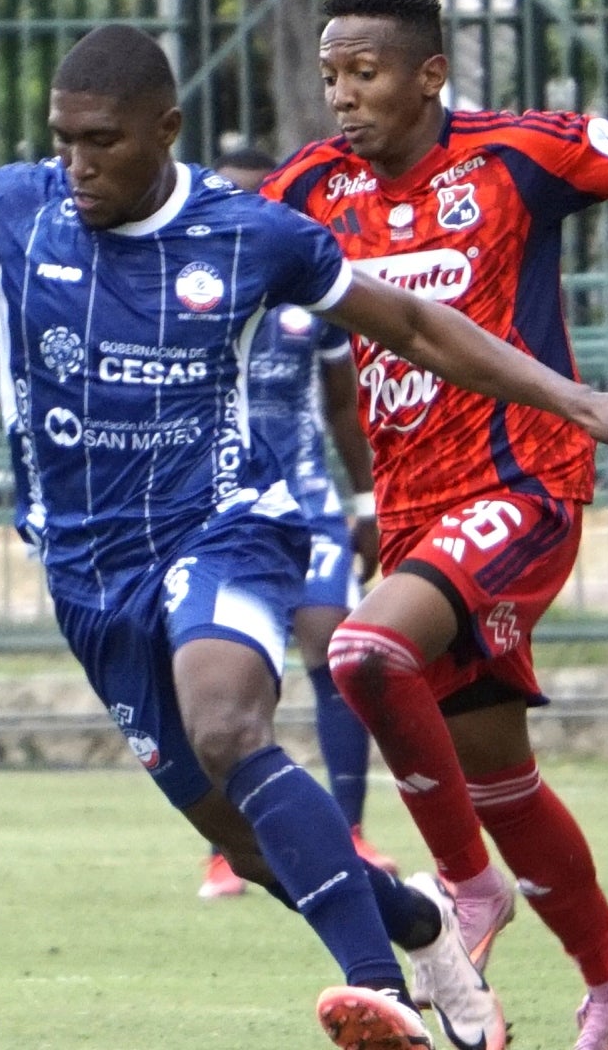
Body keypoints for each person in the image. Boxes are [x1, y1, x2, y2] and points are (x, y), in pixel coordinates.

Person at [0, 25, 608, 1050]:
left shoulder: (248, 233)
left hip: (220, 528)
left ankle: (382, 992)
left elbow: (410, 325)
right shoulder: (7, 209)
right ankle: (418, 926)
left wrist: (575, 400)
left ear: (164, 131)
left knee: (231, 727)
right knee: (244, 836)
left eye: (103, 142)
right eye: (64, 140)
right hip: (87, 574)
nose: (78, 165)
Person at [262, 0, 608, 1048]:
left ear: (430, 75)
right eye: (329, 77)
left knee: (361, 654)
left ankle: (465, 890)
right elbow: (210, 248)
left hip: (526, 482)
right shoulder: (310, 188)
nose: (343, 97)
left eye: (365, 73)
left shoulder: (517, 155)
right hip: (414, 512)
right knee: (497, 776)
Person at [196, 147, 396, 901]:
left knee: (336, 645)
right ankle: (232, 844)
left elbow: (344, 407)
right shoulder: (193, 293)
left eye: (262, 199)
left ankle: (347, 829)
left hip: (306, 496)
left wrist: (367, 503)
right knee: (229, 674)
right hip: (214, 500)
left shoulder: (310, 294)